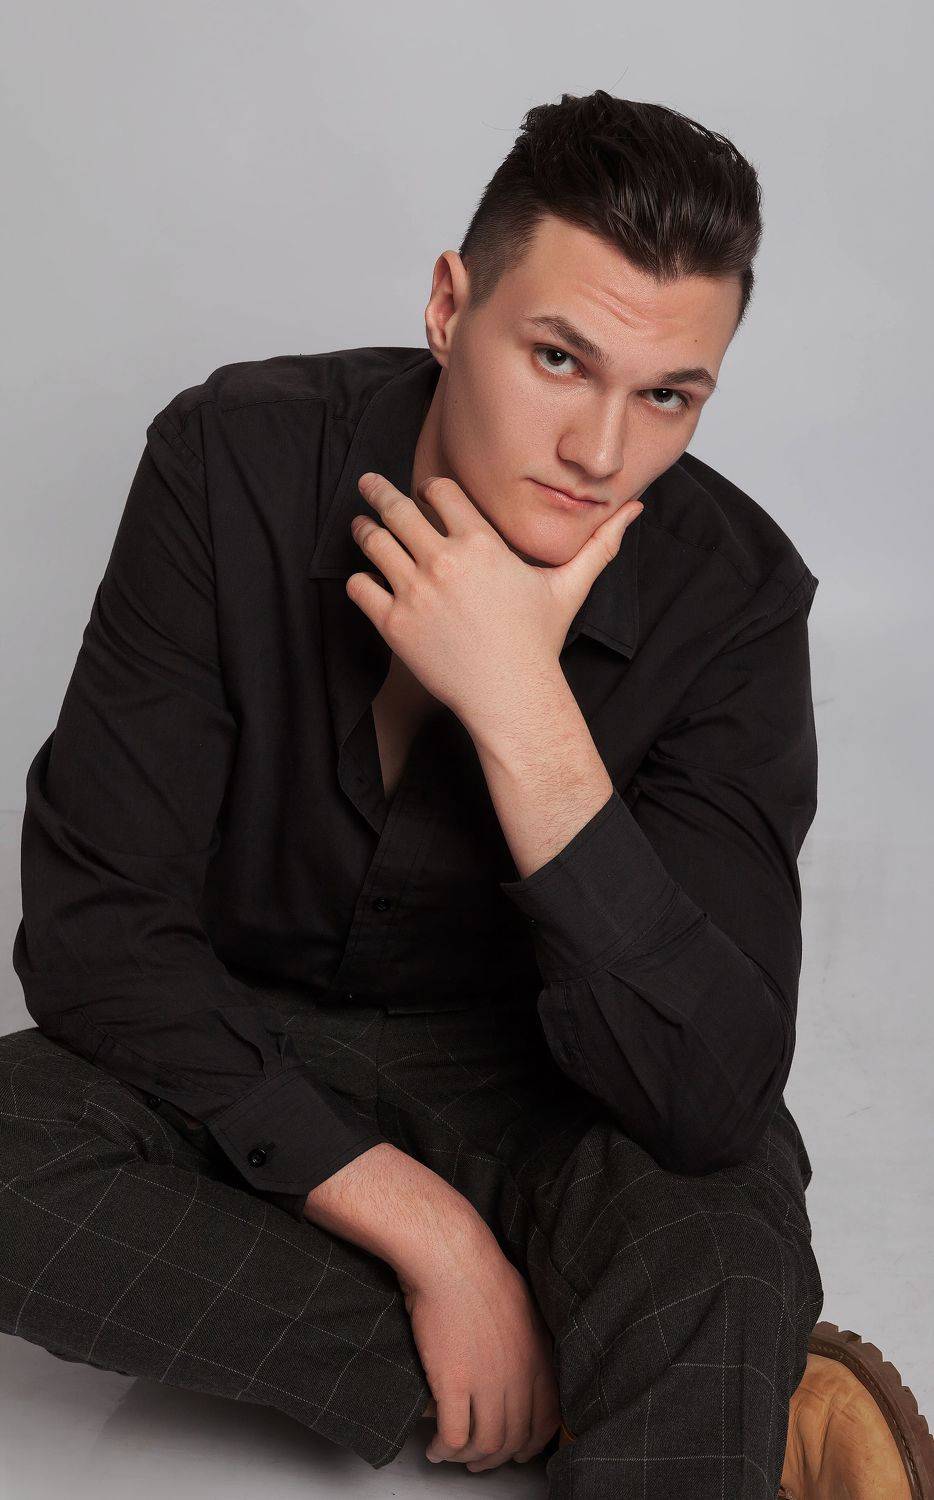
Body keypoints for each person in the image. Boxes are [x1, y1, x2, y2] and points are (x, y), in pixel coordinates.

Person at [3, 90, 931, 1499]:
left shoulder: (733, 596)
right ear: (449, 306)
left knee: (714, 1243)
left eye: (667, 395)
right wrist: (431, 1241)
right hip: (243, 1050)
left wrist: (520, 707)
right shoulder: (234, 461)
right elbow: (95, 933)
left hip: (553, 1088)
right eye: (559, 359)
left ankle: (669, 1363)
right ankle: (654, 1390)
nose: (600, 452)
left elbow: (708, 1090)